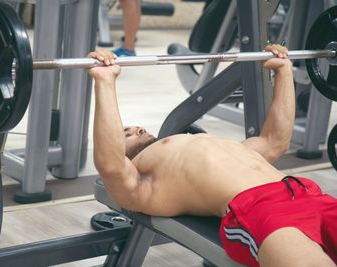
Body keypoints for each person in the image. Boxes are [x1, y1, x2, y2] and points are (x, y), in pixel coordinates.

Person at [87, 45, 337, 266]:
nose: (139, 128)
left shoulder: (220, 146)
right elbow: (110, 165)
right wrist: (105, 81)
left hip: (309, 193)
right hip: (263, 213)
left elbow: (274, 141)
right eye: (126, 132)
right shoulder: (144, 183)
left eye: (135, 126)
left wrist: (283, 72)